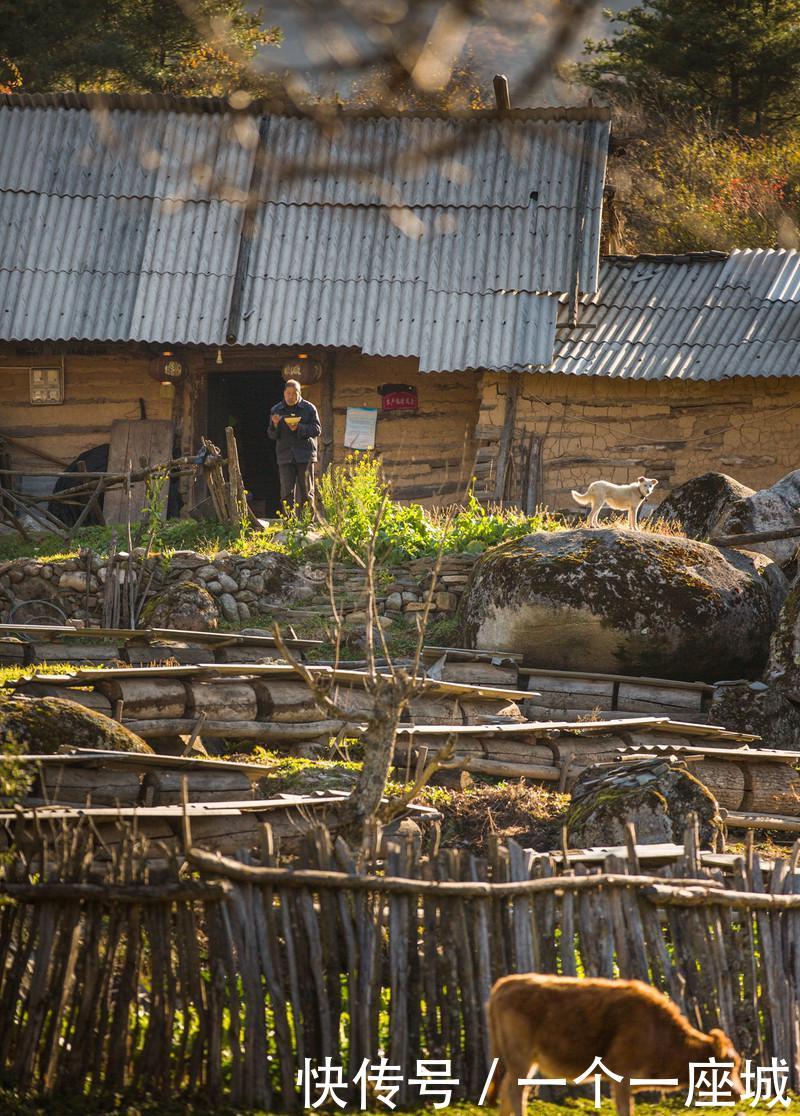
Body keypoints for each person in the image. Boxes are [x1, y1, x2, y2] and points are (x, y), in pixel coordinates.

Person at [267, 379, 321, 510]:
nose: (290, 396)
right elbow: (272, 435)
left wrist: (299, 428)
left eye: (294, 393)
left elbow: (317, 430)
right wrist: (275, 425)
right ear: (284, 393)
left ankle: (307, 523)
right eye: (288, 393)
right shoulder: (277, 409)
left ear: (299, 393)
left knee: (306, 490)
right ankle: (289, 523)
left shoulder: (309, 408)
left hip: (305, 455)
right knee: (286, 492)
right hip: (285, 455)